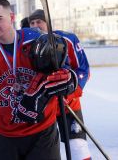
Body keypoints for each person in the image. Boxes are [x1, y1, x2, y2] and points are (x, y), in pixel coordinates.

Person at [0, 0, 78, 160]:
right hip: (5, 135)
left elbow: (61, 68)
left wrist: (68, 78)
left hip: (42, 132)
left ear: (12, 18)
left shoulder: (35, 39)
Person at [29, 9, 91, 160]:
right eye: (32, 23)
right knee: (44, 149)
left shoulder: (67, 38)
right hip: (42, 105)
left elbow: (84, 69)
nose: (36, 25)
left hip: (68, 102)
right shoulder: (28, 42)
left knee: (77, 145)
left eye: (39, 22)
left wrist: (71, 91)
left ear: (48, 23)